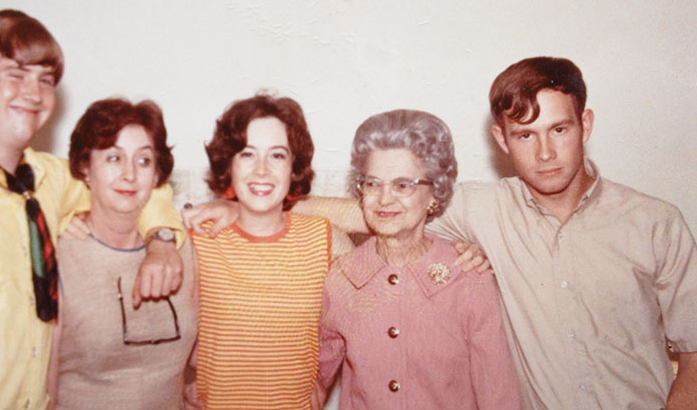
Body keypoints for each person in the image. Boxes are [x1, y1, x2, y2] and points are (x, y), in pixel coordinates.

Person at [296, 57, 697, 409]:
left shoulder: (655, 223)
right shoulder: (479, 208)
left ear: (585, 125)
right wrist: (250, 208)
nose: (545, 152)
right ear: (502, 139)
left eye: (559, 130)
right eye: (525, 134)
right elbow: (385, 211)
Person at [0, 9, 183, 410]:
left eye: (45, 80)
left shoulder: (50, 179)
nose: (34, 93)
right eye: (16, 74)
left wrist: (161, 240)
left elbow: (140, 187)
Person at [312, 109, 519, 409]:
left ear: (434, 192)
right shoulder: (340, 279)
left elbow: (498, 398)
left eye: (403, 185)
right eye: (372, 183)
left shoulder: (469, 278)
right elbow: (311, 387)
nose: (384, 199)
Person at [188, 93, 352, 410]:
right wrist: (185, 380)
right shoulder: (200, 239)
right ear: (229, 165)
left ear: (294, 167)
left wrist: (323, 378)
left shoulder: (324, 238)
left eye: (277, 156)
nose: (262, 170)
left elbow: (386, 242)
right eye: (247, 154)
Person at [47, 99, 198, 409]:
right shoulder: (59, 258)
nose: (129, 174)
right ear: (85, 168)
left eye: (143, 161)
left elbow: (201, 356)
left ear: (157, 175)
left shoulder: (181, 249)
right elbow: (41, 387)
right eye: (114, 157)